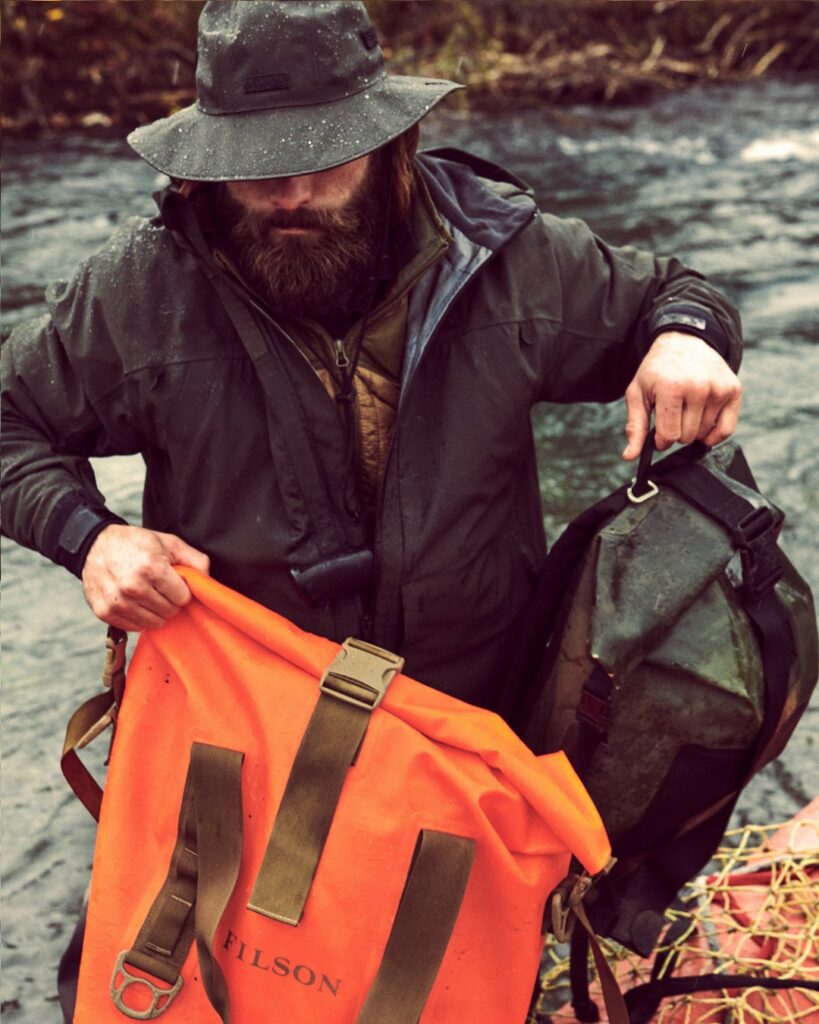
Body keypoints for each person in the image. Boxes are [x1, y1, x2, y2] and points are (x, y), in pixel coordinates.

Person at [1, 0, 742, 712]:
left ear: (392, 148)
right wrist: (91, 540)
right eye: (258, 167)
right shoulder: (139, 288)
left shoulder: (505, 255)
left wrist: (685, 337)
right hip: (242, 719)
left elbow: (674, 293)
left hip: (479, 720)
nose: (293, 194)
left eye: (325, 161)